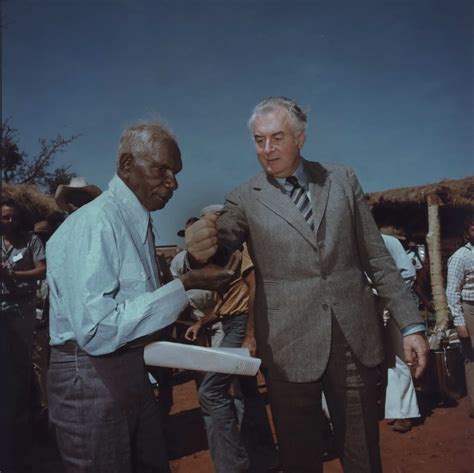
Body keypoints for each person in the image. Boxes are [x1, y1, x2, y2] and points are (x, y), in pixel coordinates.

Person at [185, 97, 429, 473]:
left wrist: (411, 325)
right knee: (299, 458)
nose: (267, 150)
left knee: (363, 455)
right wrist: (201, 248)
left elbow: (377, 258)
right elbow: (222, 243)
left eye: (277, 138)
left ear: (300, 138)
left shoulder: (342, 179)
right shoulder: (244, 198)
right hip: (287, 348)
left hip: (353, 340)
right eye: (259, 140)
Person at [46, 122, 239, 473]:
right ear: (125, 166)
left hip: (128, 368)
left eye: (176, 172)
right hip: (90, 375)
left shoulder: (135, 223)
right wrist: (187, 283)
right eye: (161, 169)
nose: (173, 182)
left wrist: (191, 271)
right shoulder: (97, 223)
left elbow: (141, 298)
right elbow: (97, 328)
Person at [182, 205, 277, 473]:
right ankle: (264, 459)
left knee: (210, 392)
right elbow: (227, 302)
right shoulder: (222, 255)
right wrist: (202, 322)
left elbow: (254, 286)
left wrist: (250, 334)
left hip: (241, 325)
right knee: (246, 394)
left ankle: (233, 466)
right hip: (233, 322)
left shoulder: (238, 249)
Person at [0, 198, 47, 473]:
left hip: (22, 307)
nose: (8, 222)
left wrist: (13, 273)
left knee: (19, 369)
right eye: (4, 217)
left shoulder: (31, 241)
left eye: (12, 217)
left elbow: (42, 270)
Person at [379, 233, 421, 433]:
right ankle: (392, 408)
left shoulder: (389, 241)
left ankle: (406, 412)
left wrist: (390, 299)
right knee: (383, 360)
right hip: (365, 308)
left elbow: (408, 273)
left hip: (392, 304)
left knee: (399, 359)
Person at [446, 215, 474, 418]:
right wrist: (459, 321)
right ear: (468, 231)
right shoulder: (460, 257)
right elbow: (452, 292)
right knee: (472, 357)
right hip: (470, 308)